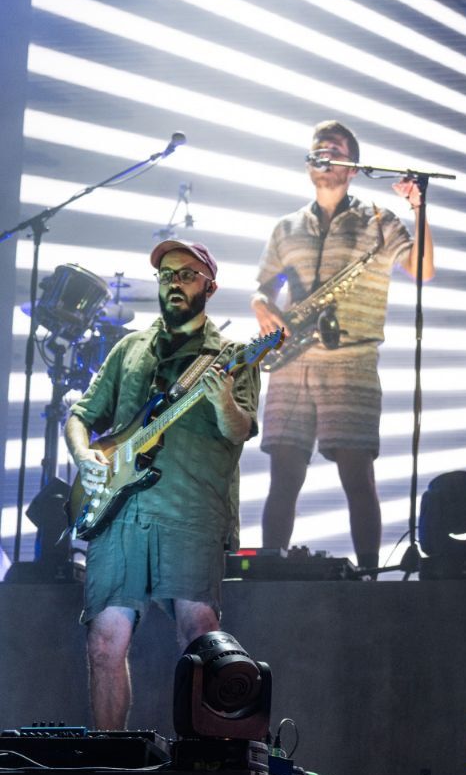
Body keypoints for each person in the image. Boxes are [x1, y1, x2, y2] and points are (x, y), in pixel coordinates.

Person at [67, 239, 260, 730]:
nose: (175, 282)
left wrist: (221, 403)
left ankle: (204, 766)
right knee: (104, 643)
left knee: (200, 638)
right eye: (167, 274)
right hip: (119, 515)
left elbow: (241, 430)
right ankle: (108, 764)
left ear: (210, 287)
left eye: (187, 275)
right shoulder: (129, 349)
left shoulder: (232, 355)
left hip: (191, 512)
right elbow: (81, 415)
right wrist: (83, 453)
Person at [251, 120, 433, 571]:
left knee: (357, 476)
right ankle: (270, 571)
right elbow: (264, 287)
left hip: (352, 361)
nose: (324, 155)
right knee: (283, 477)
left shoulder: (379, 220)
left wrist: (419, 210)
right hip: (290, 363)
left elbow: (423, 269)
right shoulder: (286, 227)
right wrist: (261, 305)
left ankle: (368, 573)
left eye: (334, 149)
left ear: (352, 166)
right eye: (318, 149)